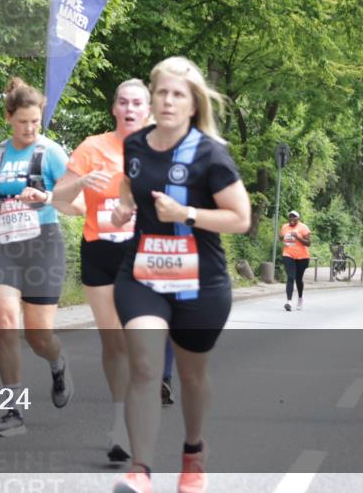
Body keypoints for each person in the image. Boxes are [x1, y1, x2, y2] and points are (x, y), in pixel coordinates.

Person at [111, 56, 251, 493]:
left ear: (193, 105)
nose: (168, 101)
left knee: (191, 376)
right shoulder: (135, 145)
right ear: (152, 99)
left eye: (178, 95)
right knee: (146, 364)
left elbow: (240, 218)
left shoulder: (210, 154)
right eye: (163, 93)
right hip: (143, 274)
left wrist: (186, 213)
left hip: (200, 280)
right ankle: (141, 470)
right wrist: (123, 208)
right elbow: (128, 186)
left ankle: (193, 453)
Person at [0, 77, 77, 438]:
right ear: (8, 117)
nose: (30, 128)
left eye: (35, 121)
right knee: (4, 321)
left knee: (38, 335)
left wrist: (47, 198)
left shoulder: (51, 154)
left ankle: (57, 362)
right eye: (23, 121)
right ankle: (12, 408)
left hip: (43, 245)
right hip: (3, 243)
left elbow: (75, 204)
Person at [53, 78, 152, 460]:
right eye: (123, 102)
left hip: (144, 251)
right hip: (99, 251)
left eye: (137, 103)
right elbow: (59, 196)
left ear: (148, 111)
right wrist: (81, 181)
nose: (129, 108)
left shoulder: (161, 149)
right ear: (114, 108)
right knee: (114, 342)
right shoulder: (92, 147)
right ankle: (119, 421)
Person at [280, 210, 312, 311]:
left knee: (298, 279)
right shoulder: (285, 227)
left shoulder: (303, 228)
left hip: (302, 257)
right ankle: (288, 302)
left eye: (294, 217)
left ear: (298, 219)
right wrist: (284, 239)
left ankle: (300, 298)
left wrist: (297, 237)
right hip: (288, 254)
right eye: (290, 217)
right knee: (290, 277)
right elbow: (281, 237)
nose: (292, 219)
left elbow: (308, 243)